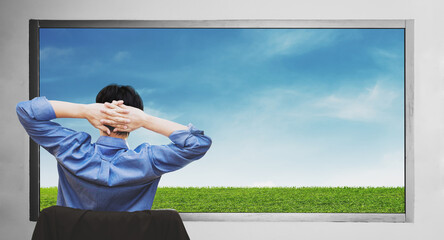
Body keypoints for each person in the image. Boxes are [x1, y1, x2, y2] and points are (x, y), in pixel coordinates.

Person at [16, 84, 212, 212]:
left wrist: (84, 110)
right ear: (134, 119)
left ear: (98, 113)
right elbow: (199, 143)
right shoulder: (148, 160)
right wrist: (145, 120)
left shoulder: (71, 149)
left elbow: (26, 111)